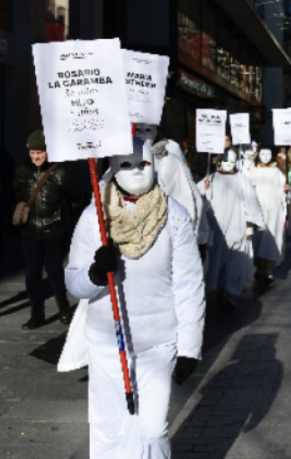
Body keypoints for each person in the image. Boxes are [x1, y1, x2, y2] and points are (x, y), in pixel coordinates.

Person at [61, 137, 205, 458]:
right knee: (110, 431)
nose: (137, 171)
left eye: (143, 163)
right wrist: (95, 274)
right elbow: (74, 281)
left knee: (152, 431)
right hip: (108, 345)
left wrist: (189, 347)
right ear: (113, 168)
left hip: (158, 343)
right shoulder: (94, 217)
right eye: (126, 164)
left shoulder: (173, 215)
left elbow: (189, 283)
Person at [14, 130, 80, 329]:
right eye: (33, 152)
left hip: (54, 229)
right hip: (30, 230)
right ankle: (37, 315)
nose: (36, 157)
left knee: (54, 270)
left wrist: (65, 222)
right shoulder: (22, 170)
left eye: (40, 152)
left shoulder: (62, 172)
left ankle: (64, 309)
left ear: (48, 151)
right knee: (32, 273)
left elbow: (76, 198)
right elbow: (17, 193)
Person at [199, 149, 266, 304]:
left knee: (235, 260)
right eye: (226, 161)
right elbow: (197, 196)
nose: (229, 164)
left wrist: (250, 226)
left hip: (237, 226)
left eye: (232, 161)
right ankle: (214, 288)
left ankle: (230, 291)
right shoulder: (212, 179)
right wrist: (204, 187)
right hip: (216, 227)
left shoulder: (242, 180)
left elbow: (251, 203)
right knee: (215, 260)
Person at [246, 147, 289, 282]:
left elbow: (283, 189)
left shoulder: (276, 172)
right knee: (257, 238)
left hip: (273, 210)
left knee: (272, 238)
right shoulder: (251, 172)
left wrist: (286, 189)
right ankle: (258, 267)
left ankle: (269, 267)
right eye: (262, 154)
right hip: (257, 209)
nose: (265, 157)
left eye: (268, 154)